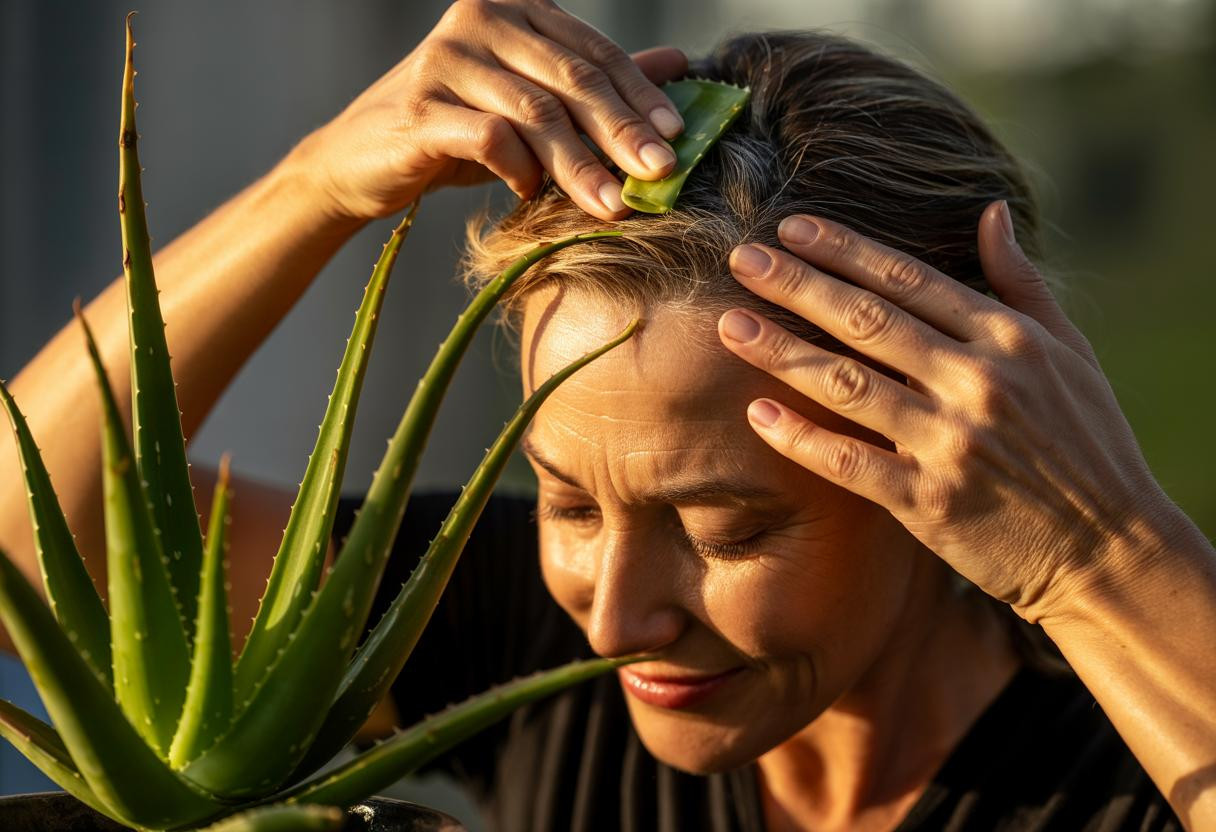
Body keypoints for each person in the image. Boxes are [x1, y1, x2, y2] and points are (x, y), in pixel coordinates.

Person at [1, 2, 1213, 830]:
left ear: (948, 464)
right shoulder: (524, 636)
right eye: (569, 499)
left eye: (725, 529)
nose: (618, 617)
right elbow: (27, 540)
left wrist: (1097, 555)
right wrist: (314, 185)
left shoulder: (1139, 751)